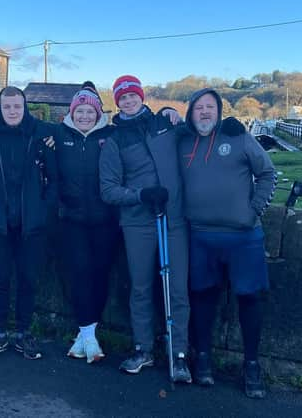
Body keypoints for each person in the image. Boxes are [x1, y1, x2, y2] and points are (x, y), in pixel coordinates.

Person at [178, 88, 276, 399]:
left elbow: (268, 174)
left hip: (243, 237)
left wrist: (254, 210)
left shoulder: (238, 136)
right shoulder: (182, 141)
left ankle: (251, 365)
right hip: (200, 236)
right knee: (202, 297)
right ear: (190, 112)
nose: (204, 112)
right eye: (198, 108)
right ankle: (203, 358)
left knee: (249, 299)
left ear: (219, 111)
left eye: (210, 107)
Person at [99, 75, 191, 382]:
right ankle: (143, 348)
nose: (128, 100)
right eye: (122, 97)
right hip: (138, 221)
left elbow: (196, 134)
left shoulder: (163, 124)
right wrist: (140, 195)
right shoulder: (114, 140)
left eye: (132, 95)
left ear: (142, 96)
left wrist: (176, 114)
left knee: (176, 289)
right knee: (140, 288)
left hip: (173, 218)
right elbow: (108, 189)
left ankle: (178, 354)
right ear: (117, 102)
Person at [0, 86, 57, 360]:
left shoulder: (42, 133)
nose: (12, 111)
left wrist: (44, 209)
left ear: (25, 106)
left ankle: (23, 333)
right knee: (0, 279)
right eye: (6, 107)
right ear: (0, 108)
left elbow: (54, 178)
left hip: (32, 223)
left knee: (28, 279)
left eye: (16, 106)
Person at [53, 82, 118, 364]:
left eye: (89, 111)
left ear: (97, 113)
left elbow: (141, 125)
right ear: (72, 112)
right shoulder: (58, 134)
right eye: (79, 111)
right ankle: (88, 334)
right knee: (78, 273)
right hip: (72, 219)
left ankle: (86, 334)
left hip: (105, 219)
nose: (83, 116)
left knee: (100, 275)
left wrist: (167, 111)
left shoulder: (111, 135)